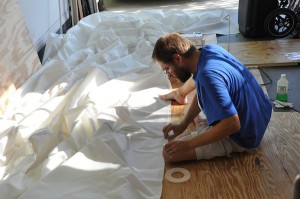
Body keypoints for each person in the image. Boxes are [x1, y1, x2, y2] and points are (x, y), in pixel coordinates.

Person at [152, 32, 273, 163]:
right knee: (200, 110)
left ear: (177, 58)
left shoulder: (207, 77)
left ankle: (208, 130)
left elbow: (233, 124)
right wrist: (183, 124)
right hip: (261, 115)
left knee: (169, 153)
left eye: (167, 69)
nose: (168, 75)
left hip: (246, 136)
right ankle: (205, 127)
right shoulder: (209, 50)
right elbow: (202, 90)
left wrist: (188, 144)